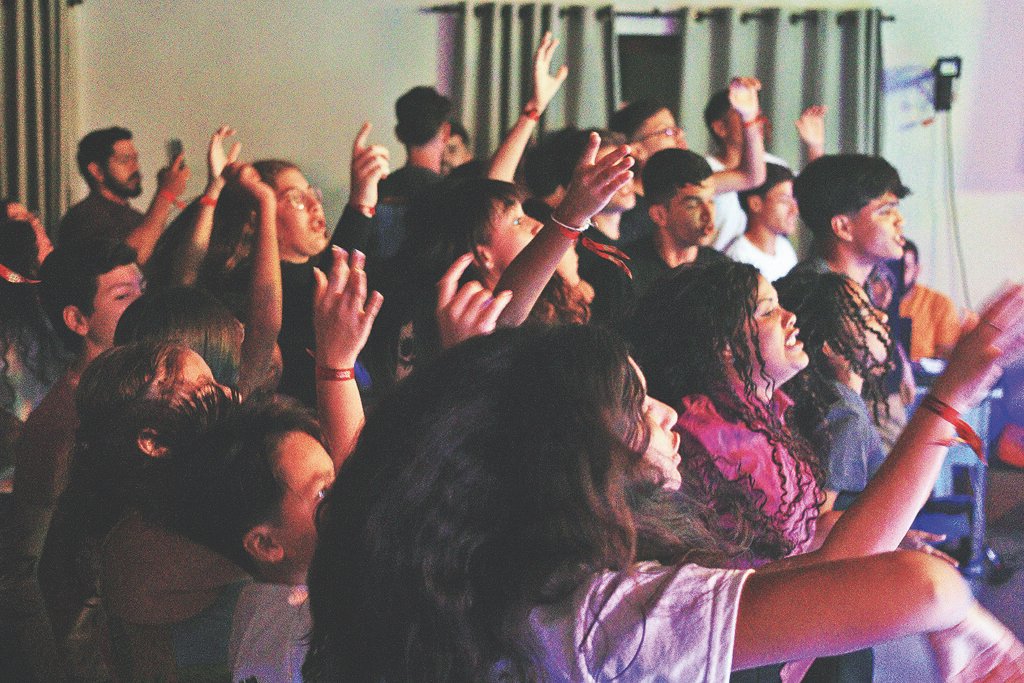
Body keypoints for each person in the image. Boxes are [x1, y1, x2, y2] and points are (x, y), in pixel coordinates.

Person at [303, 318, 1024, 681]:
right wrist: (963, 618)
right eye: (639, 404)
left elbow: (826, 571)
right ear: (566, 454)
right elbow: (914, 585)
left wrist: (950, 398)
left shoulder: (509, 591)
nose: (668, 413)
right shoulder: (586, 616)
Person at [776, 271, 893, 510]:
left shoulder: (836, 401)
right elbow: (816, 520)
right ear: (829, 346)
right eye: (864, 315)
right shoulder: (847, 414)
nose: (882, 316)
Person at [609, 78, 766, 246]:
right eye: (668, 131)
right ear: (637, 150)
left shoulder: (685, 186)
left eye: (678, 129)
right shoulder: (620, 204)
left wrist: (749, 117)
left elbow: (751, 177)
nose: (680, 137)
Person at [703, 91, 827, 250]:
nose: (758, 121)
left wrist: (815, 147)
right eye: (744, 114)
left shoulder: (774, 164)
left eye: (757, 115)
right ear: (721, 128)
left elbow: (812, 196)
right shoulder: (705, 170)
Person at [58, 127, 190, 264]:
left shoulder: (135, 216)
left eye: (135, 159)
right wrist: (166, 193)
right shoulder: (82, 218)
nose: (136, 168)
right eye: (125, 160)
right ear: (97, 171)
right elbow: (131, 261)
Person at [625, 148, 731, 295]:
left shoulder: (723, 271)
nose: (708, 214)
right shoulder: (625, 273)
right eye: (693, 204)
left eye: (711, 201)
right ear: (659, 215)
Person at [724, 162, 799, 283]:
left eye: (794, 201)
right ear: (755, 204)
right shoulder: (739, 257)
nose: (794, 210)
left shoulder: (785, 248)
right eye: (784, 201)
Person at [899, 239, 964, 361]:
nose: (896, 273)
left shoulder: (940, 304)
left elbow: (946, 358)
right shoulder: (869, 298)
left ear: (917, 271)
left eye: (904, 268)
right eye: (891, 266)